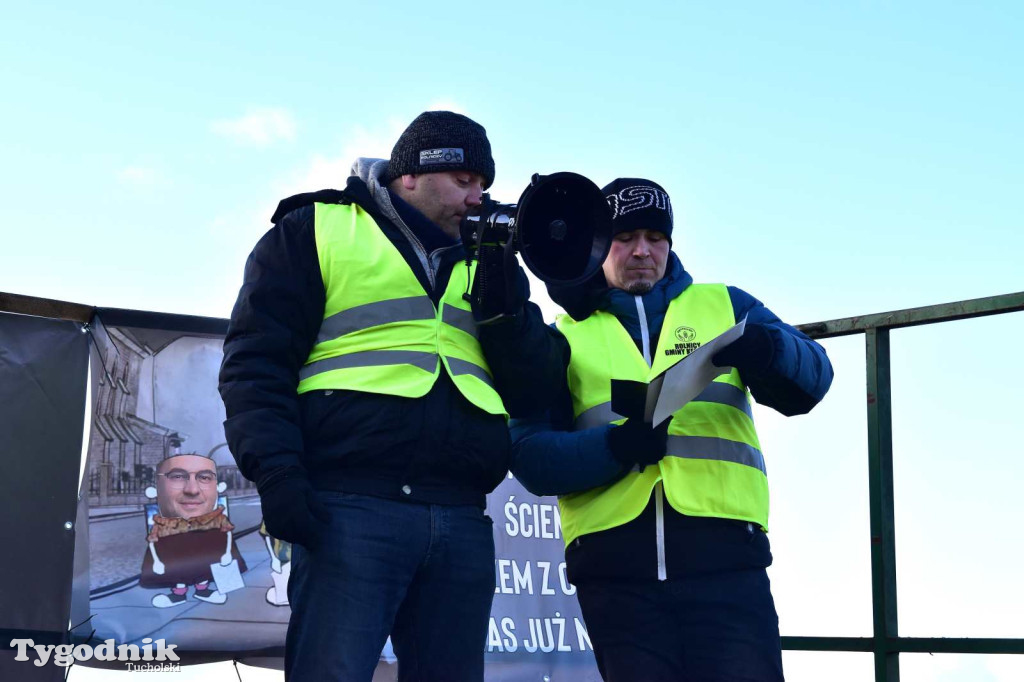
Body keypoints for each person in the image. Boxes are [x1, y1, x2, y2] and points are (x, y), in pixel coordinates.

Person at [218, 111, 562, 681]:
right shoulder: (316, 227)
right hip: (348, 507)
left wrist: (508, 313)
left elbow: (534, 391)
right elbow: (255, 365)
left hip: (460, 514)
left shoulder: (489, 255)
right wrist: (277, 473)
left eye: (483, 184)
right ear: (410, 176)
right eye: (463, 180)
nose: (476, 197)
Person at [500, 178, 834, 681]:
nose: (642, 251)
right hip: (616, 578)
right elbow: (530, 457)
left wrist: (771, 350)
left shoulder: (727, 305)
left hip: (728, 565)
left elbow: (816, 376)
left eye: (656, 238)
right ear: (597, 244)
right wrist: (613, 446)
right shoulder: (561, 338)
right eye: (625, 238)